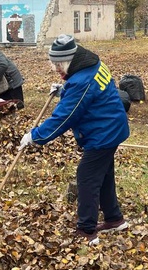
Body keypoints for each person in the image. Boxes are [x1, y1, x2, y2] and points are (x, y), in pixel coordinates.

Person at [19, 35, 130, 246]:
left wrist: (36, 136)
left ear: (70, 61)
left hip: (103, 132)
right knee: (103, 174)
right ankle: (114, 219)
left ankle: (86, 230)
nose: (57, 70)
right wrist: (64, 90)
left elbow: (65, 117)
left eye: (59, 66)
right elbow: (90, 93)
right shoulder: (92, 64)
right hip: (112, 125)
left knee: (87, 177)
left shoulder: (81, 81)